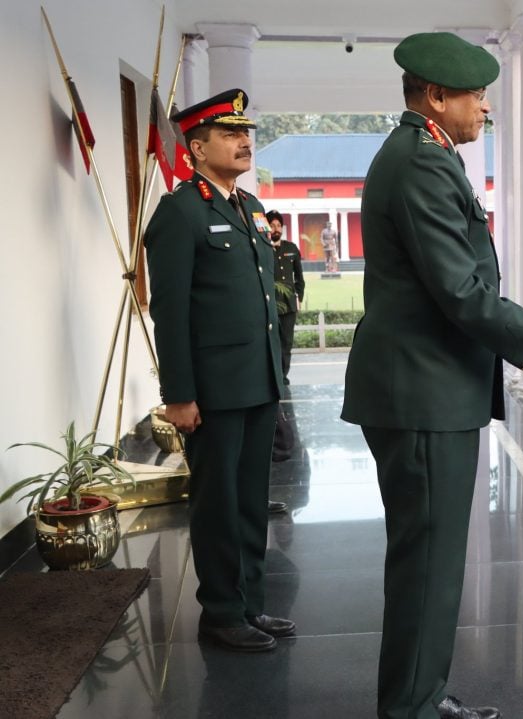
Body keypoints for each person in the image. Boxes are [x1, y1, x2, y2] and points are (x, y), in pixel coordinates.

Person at [341, 32, 523, 719]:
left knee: (430, 564)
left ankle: (420, 695)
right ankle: (411, 707)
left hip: (426, 387)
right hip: (422, 392)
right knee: (427, 566)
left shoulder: (422, 156)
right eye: (476, 95)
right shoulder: (422, 164)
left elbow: (458, 288)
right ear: (435, 96)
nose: (485, 108)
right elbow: (462, 290)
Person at [145, 88, 295, 653]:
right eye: (230, 134)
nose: (244, 141)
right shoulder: (181, 212)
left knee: (252, 500)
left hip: (256, 384)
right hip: (212, 391)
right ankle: (222, 612)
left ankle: (252, 605)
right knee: (217, 504)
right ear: (197, 147)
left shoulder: (249, 207)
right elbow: (171, 310)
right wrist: (178, 394)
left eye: (246, 133)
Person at [267, 210, 305, 385]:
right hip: (270, 303)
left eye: (278, 225)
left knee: (286, 342)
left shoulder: (291, 248)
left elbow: (299, 277)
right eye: (272, 225)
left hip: (289, 304)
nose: (276, 229)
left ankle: (283, 375)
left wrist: (299, 296)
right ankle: (273, 375)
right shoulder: (263, 248)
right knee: (271, 341)